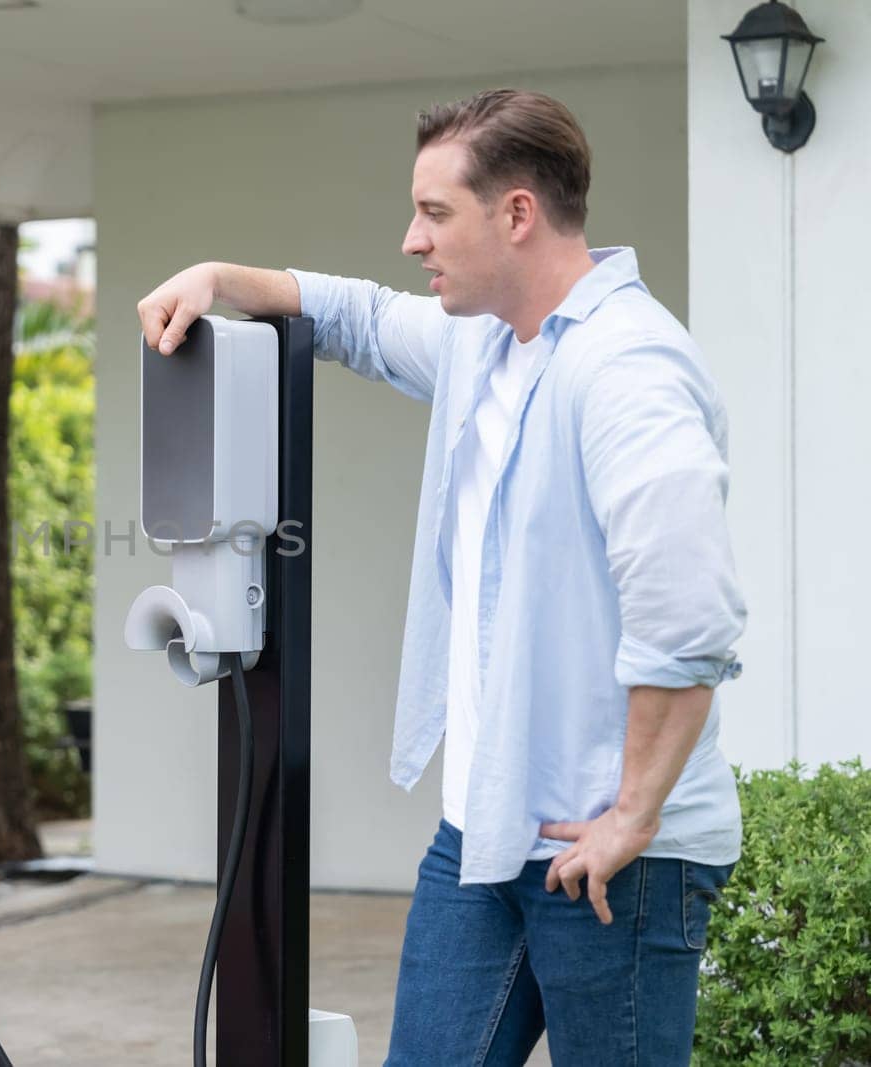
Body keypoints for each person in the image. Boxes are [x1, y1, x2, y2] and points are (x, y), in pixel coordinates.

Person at [138, 89, 745, 1065]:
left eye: (433, 212)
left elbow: (689, 618)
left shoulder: (629, 369)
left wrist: (631, 813)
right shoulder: (484, 342)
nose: (411, 240)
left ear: (516, 213)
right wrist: (217, 276)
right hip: (480, 830)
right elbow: (361, 317)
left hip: (610, 857)